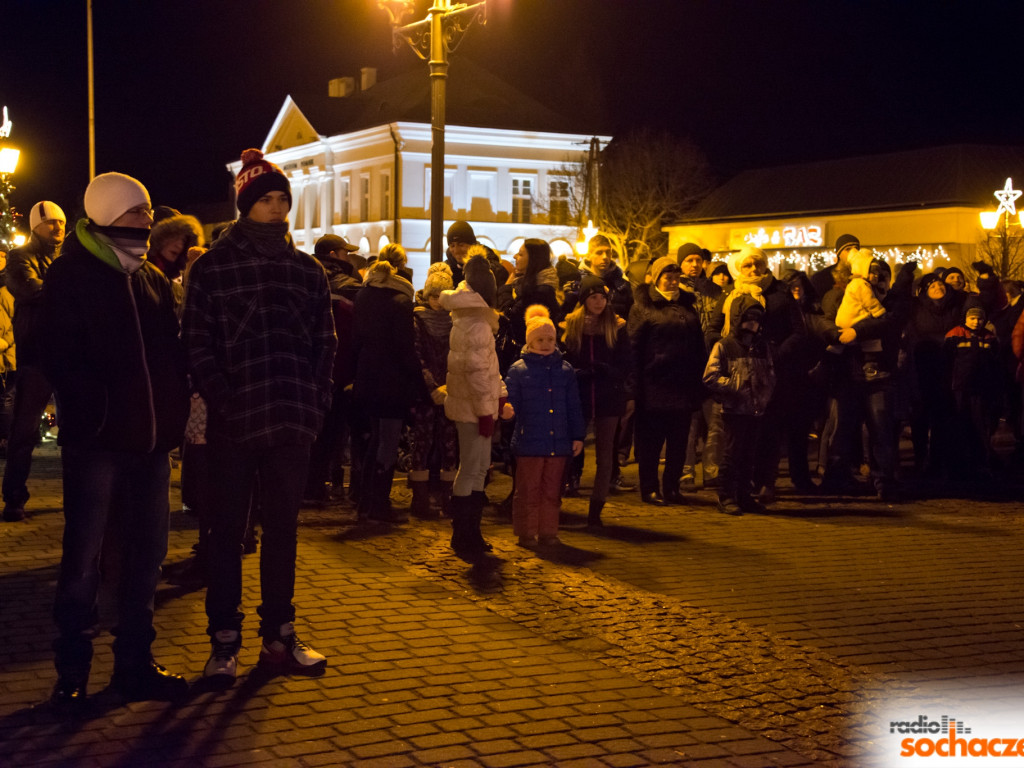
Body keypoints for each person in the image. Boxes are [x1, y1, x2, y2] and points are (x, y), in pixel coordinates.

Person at [181, 148, 337, 683]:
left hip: (291, 420)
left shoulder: (307, 270)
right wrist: (225, 398)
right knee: (226, 533)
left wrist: (315, 401)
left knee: (284, 533)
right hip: (234, 424)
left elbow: (325, 342)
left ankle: (279, 636)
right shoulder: (213, 267)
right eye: (265, 200)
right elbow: (196, 343)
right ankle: (224, 641)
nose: (276, 209)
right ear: (246, 205)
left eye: (281, 200)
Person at [39, 172, 191, 709]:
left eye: (147, 210)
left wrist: (171, 415)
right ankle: (72, 673)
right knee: (83, 559)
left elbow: (170, 354)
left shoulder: (148, 277)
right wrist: (96, 407)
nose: (146, 219)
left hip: (150, 445)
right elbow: (57, 354)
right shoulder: (72, 275)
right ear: (105, 213)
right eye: (135, 211)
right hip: (100, 442)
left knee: (146, 556)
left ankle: (135, 664)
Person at [439, 254, 506, 559]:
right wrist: (486, 413)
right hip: (474, 409)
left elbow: (489, 369)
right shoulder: (477, 323)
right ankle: (464, 533)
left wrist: (500, 395)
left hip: (476, 406)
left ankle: (470, 532)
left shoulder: (471, 318)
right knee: (472, 469)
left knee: (477, 468)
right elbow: (478, 373)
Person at [351, 244, 424, 522]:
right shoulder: (401, 302)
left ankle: (365, 502)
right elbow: (406, 350)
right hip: (392, 383)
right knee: (388, 443)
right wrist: (419, 383)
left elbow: (357, 341)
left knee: (374, 440)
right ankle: (379, 505)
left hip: (367, 378)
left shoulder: (364, 295)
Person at [2, 201, 64, 522]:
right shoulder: (20, 256)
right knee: (24, 432)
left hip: (67, 356)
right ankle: (14, 498)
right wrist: (67, 290)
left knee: (75, 431)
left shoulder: (66, 259)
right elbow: (27, 289)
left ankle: (78, 494)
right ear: (35, 226)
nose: (58, 228)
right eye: (51, 223)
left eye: (61, 222)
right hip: (36, 357)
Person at [627, 256, 707, 505]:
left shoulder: (687, 306)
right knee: (651, 443)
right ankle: (650, 488)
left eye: (676, 278)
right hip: (654, 385)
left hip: (683, 385)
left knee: (678, 443)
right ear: (657, 278)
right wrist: (634, 388)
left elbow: (698, 345)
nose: (673, 282)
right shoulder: (644, 306)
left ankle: (672, 487)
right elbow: (633, 348)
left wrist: (699, 379)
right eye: (667, 277)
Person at [505, 305, 584, 547]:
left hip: (558, 441)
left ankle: (549, 532)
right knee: (528, 490)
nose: (545, 343)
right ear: (529, 341)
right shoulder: (519, 370)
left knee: (552, 491)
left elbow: (573, 406)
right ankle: (527, 532)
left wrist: (577, 435)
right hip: (530, 441)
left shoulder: (564, 370)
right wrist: (507, 410)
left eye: (550, 339)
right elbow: (512, 400)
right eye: (539, 339)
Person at [559, 275, 632, 526]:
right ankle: (557, 499)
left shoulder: (617, 326)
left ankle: (596, 510)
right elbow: (565, 359)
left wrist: (609, 371)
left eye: (602, 297)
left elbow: (625, 361)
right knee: (569, 449)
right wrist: (578, 372)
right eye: (593, 297)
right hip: (579, 396)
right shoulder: (572, 325)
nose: (599, 302)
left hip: (608, 397)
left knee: (604, 456)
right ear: (584, 300)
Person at [703, 296, 776, 515]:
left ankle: (744, 495)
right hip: (735, 409)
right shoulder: (725, 345)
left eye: (756, 320)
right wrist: (734, 385)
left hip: (755, 408)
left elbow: (771, 373)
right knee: (732, 454)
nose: (752, 324)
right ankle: (726, 496)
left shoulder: (761, 346)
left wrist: (764, 393)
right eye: (748, 319)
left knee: (748, 454)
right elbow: (710, 376)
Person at [304, 234, 362, 505]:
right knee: (331, 433)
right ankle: (317, 487)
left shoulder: (305, 275)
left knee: (309, 431)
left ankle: (308, 486)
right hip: (339, 370)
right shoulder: (348, 285)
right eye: (344, 252)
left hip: (306, 368)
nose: (348, 256)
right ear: (334, 254)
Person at [407, 262, 458, 517]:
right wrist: (432, 387)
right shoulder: (417, 319)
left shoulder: (455, 321)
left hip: (451, 391)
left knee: (449, 443)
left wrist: (450, 385)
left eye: (442, 295)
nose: (437, 301)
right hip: (425, 393)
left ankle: (449, 496)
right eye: (433, 295)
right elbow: (417, 358)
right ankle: (420, 499)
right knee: (423, 443)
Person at [944, 306, 1000, 483]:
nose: (976, 322)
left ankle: (980, 465)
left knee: (980, 427)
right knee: (960, 426)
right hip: (959, 389)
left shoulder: (989, 338)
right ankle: (958, 467)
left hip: (980, 390)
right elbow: (946, 361)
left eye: (980, 319)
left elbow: (995, 364)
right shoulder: (955, 334)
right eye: (973, 318)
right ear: (966, 319)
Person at [147, 214, 204, 309]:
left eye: (185, 257)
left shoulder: (177, 288)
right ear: (157, 247)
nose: (180, 264)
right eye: (173, 253)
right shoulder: (142, 279)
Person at [810, 233, 860, 302]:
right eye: (848, 249)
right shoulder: (822, 278)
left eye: (856, 249)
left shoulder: (863, 274)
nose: (853, 253)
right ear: (839, 254)